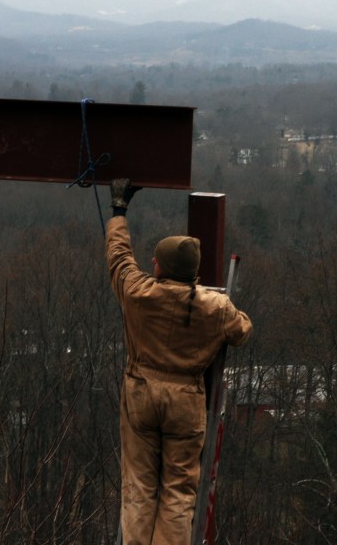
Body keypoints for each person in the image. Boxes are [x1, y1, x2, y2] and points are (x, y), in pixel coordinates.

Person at [106, 178, 253, 545]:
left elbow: (119, 258)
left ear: (164, 267)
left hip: (141, 393)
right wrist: (216, 307)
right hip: (186, 400)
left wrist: (119, 211)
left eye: (157, 259)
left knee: (139, 487)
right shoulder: (214, 307)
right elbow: (242, 330)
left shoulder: (138, 293)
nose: (152, 262)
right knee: (177, 491)